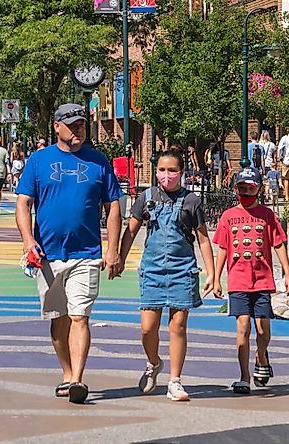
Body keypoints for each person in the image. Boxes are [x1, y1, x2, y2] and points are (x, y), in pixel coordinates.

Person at [16, 103, 122, 405]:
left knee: (79, 316)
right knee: (57, 319)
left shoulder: (99, 161)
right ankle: (66, 371)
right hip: (48, 254)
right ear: (57, 127)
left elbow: (113, 206)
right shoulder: (38, 161)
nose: (78, 130)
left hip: (87, 252)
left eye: (82, 125)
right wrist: (27, 240)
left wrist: (112, 249)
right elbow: (23, 203)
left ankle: (77, 378)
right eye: (72, 125)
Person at [116, 148, 216, 402]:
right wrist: (119, 258)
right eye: (162, 170)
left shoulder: (192, 201)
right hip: (152, 270)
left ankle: (175, 381)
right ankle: (153, 363)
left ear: (181, 172)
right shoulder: (146, 198)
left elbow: (203, 239)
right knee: (148, 329)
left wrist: (212, 273)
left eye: (172, 170)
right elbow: (131, 231)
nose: (167, 175)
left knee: (178, 326)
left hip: (183, 270)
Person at [213, 166, 289, 394]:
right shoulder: (228, 216)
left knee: (262, 329)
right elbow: (222, 248)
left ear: (258, 188)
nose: (246, 193)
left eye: (250, 188)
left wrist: (288, 274)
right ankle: (244, 376)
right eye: (241, 188)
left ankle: (261, 356)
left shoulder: (267, 215)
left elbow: (278, 243)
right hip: (238, 280)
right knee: (242, 327)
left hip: (262, 280)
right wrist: (217, 278)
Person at [277, 131, 289, 198]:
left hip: (286, 160)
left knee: (286, 178)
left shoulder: (284, 138)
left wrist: (279, 157)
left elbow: (280, 148)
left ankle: (287, 196)